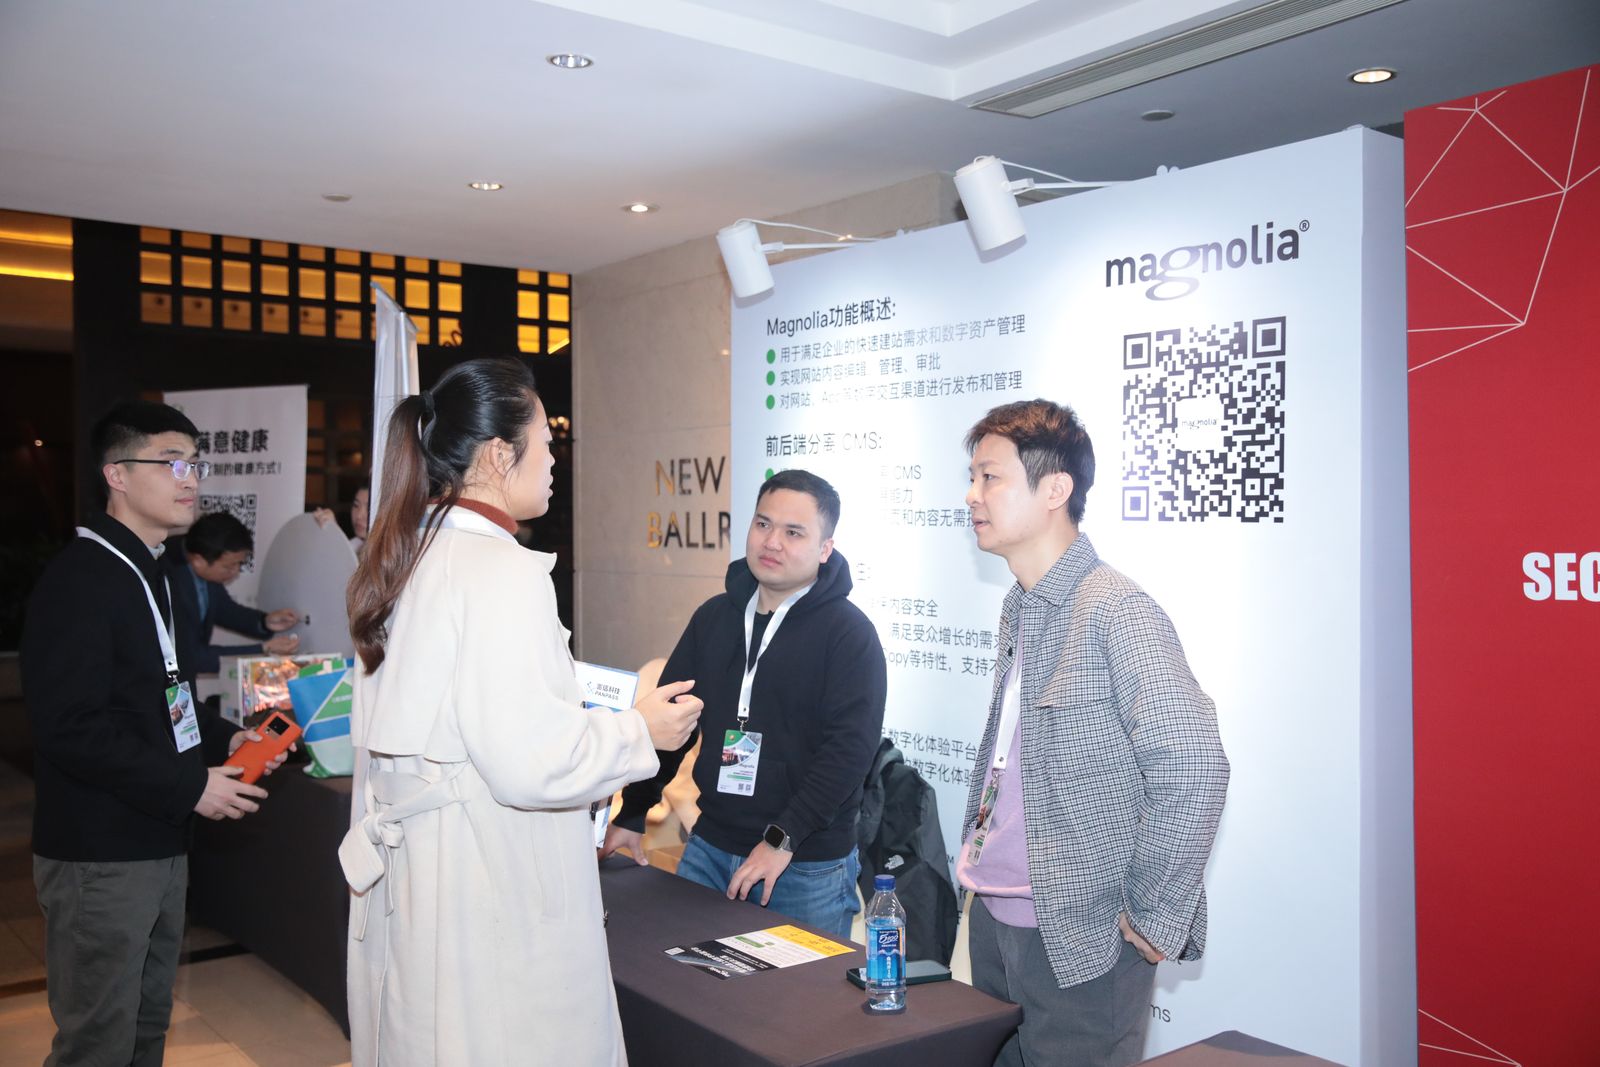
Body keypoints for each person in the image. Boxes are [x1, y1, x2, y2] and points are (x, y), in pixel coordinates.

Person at [339, 358, 702, 1067]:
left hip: (425, 871)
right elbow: (531, 760)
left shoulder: (409, 552)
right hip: (484, 876)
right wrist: (641, 732)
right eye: (545, 441)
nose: (554, 461)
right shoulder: (497, 568)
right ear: (498, 455)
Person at [958, 399, 1229, 1067]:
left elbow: (1194, 763)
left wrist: (1155, 908)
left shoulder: (1115, 609)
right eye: (972, 477)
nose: (972, 496)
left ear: (1055, 489)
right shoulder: (1022, 605)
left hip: (1078, 935)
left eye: (991, 477)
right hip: (996, 913)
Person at [21, 400, 290, 1067]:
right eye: (171, 462)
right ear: (116, 474)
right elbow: (69, 728)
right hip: (101, 850)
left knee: (145, 1026)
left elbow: (160, 694)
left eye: (195, 463)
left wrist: (222, 739)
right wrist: (189, 785)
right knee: (98, 1041)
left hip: (156, 837)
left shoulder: (152, 570)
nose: (189, 478)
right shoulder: (81, 579)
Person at [603, 469, 887, 939]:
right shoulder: (715, 617)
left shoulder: (849, 634)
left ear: (825, 549)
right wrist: (634, 810)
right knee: (681, 976)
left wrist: (781, 840)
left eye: (793, 532)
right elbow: (672, 722)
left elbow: (848, 755)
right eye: (763, 524)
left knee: (796, 989)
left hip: (805, 865)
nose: (772, 542)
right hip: (711, 845)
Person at [165, 510, 301, 681]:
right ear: (198, 561)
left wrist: (265, 622)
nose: (235, 572)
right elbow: (190, 657)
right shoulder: (167, 579)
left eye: (239, 564)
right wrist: (262, 649)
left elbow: (224, 609)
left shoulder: (200, 555)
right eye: (229, 566)